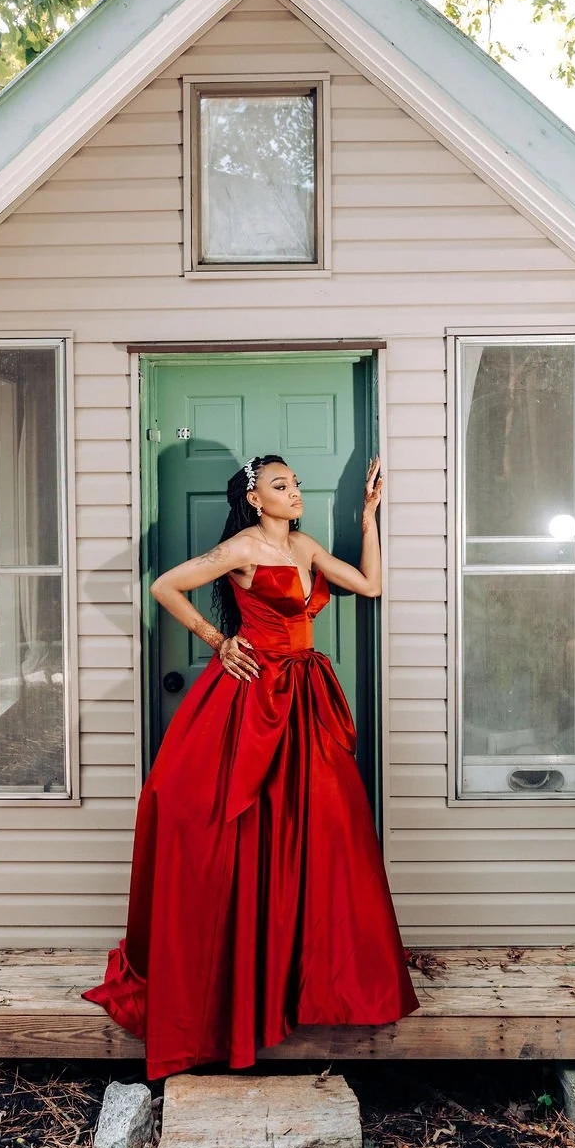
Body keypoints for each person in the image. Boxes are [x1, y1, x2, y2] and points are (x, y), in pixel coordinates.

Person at [81, 453, 420, 1079]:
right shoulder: (241, 548)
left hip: (308, 696)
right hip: (252, 693)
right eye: (280, 486)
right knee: (223, 822)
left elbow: (370, 585)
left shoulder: (307, 546)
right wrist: (218, 641)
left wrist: (369, 518)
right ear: (255, 499)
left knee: (324, 831)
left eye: (295, 484)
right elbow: (164, 586)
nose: (294, 493)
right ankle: (238, 983)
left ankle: (309, 983)